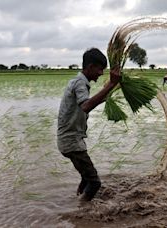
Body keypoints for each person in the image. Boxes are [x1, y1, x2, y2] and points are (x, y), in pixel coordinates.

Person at [57, 48, 121, 201]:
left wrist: (108, 92)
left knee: (86, 178)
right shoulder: (80, 83)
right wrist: (111, 84)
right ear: (90, 67)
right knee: (95, 183)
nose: (101, 73)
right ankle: (82, 211)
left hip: (71, 140)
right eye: (100, 69)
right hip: (71, 142)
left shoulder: (78, 82)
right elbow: (86, 106)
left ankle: (77, 198)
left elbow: (86, 104)